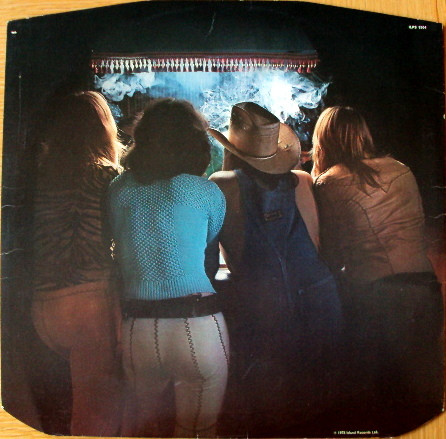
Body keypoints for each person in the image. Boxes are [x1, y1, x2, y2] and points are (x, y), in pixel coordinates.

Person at [208, 102, 342, 437]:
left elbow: (227, 253)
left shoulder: (220, 183)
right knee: (316, 408)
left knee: (270, 412)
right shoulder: (303, 180)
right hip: (319, 300)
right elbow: (315, 242)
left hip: (266, 305)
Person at [311, 106, 444, 433]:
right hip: (426, 289)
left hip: (380, 297)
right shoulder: (401, 168)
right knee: (423, 390)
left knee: (381, 398)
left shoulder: (330, 181)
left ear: (323, 139)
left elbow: (331, 254)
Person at [108, 98, 229, 438]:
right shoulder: (207, 191)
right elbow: (205, 246)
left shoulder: (118, 190)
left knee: (146, 430)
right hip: (198, 327)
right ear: (195, 142)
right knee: (198, 431)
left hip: (139, 330)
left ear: (142, 138)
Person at [31, 91, 123, 436]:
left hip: (43, 307)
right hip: (88, 305)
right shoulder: (106, 175)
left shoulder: (41, 174)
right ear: (103, 129)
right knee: (95, 418)